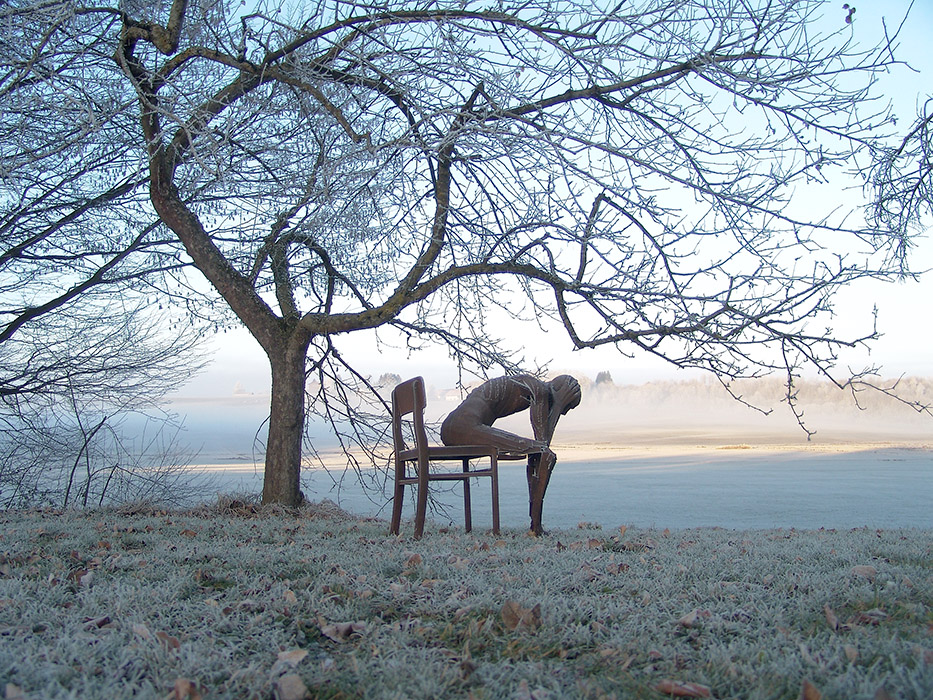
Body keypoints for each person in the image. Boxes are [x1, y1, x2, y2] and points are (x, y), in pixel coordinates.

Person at [440, 374, 582, 534]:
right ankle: (536, 526)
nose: (565, 413)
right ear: (561, 393)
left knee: (540, 453)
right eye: (568, 406)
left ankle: (535, 524)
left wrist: (558, 405)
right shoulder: (539, 390)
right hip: (463, 428)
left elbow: (541, 446)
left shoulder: (531, 385)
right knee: (545, 455)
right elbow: (543, 443)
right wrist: (558, 405)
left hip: (457, 427)